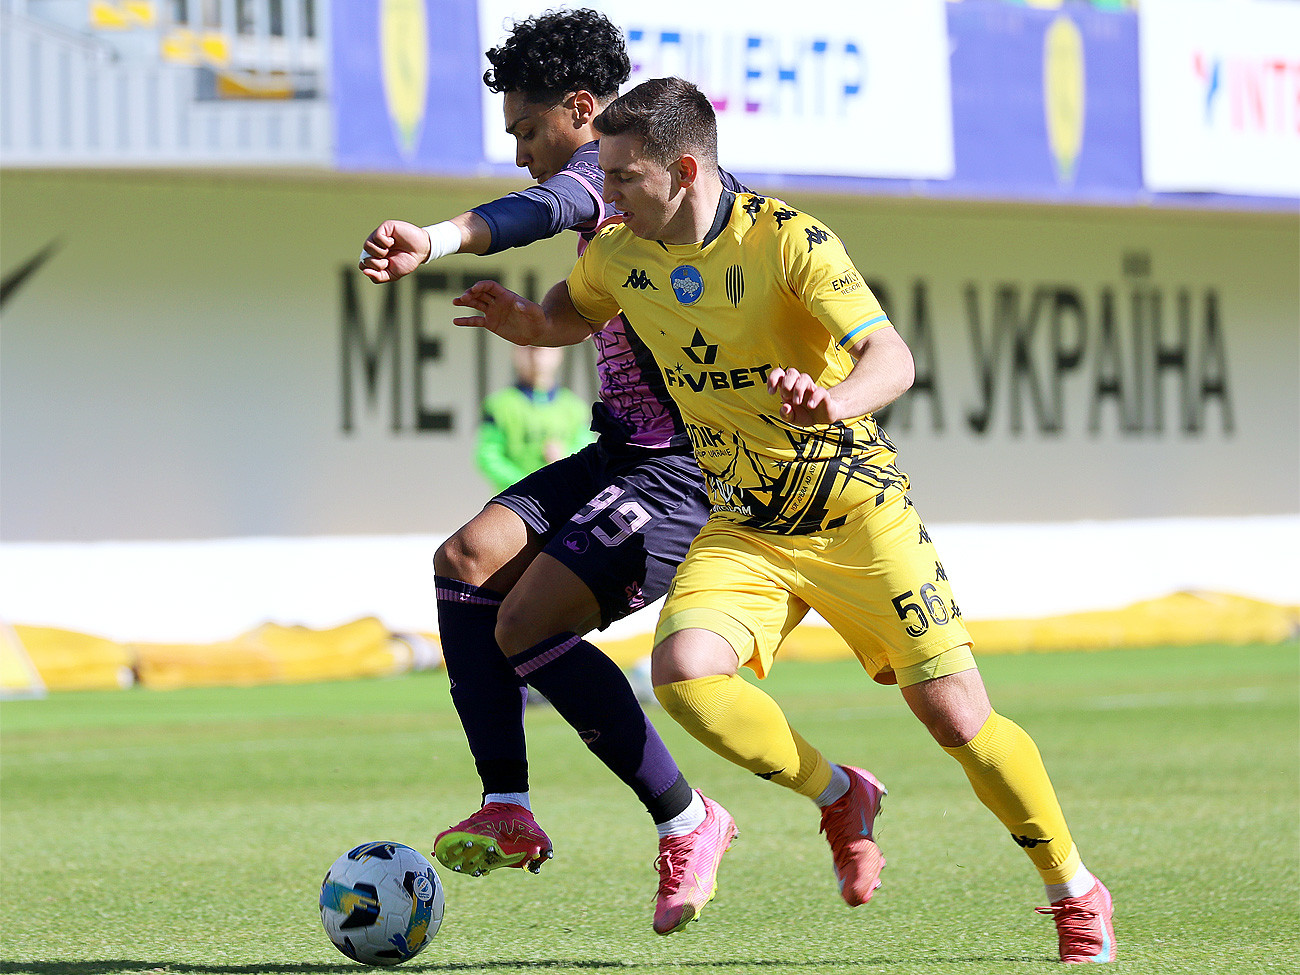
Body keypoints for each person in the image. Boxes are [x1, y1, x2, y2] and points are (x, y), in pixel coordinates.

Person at [450, 77, 1117, 965]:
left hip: (858, 514)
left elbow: (893, 358)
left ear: (685, 171)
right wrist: (525, 322)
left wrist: (833, 400)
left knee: (957, 719)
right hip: (747, 525)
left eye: (622, 176)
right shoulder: (618, 254)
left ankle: (1074, 887)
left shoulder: (790, 240)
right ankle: (840, 792)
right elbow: (568, 316)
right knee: (684, 674)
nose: (605, 193)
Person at [358, 11, 747, 936]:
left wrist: (436, 238)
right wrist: (536, 323)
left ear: (582, 109)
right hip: (622, 448)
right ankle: (507, 804)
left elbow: (548, 206)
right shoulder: (621, 196)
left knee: (527, 622)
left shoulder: (621, 173)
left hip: (688, 467)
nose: (523, 155)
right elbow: (590, 298)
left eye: (528, 130)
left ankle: (688, 819)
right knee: (466, 561)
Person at [476, 344, 593, 493]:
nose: (536, 355)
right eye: (529, 347)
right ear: (515, 353)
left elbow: (588, 453)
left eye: (545, 347)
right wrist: (528, 484)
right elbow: (488, 457)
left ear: (559, 353)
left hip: (564, 498)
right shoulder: (499, 405)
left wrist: (565, 456)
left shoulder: (574, 407)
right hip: (517, 499)